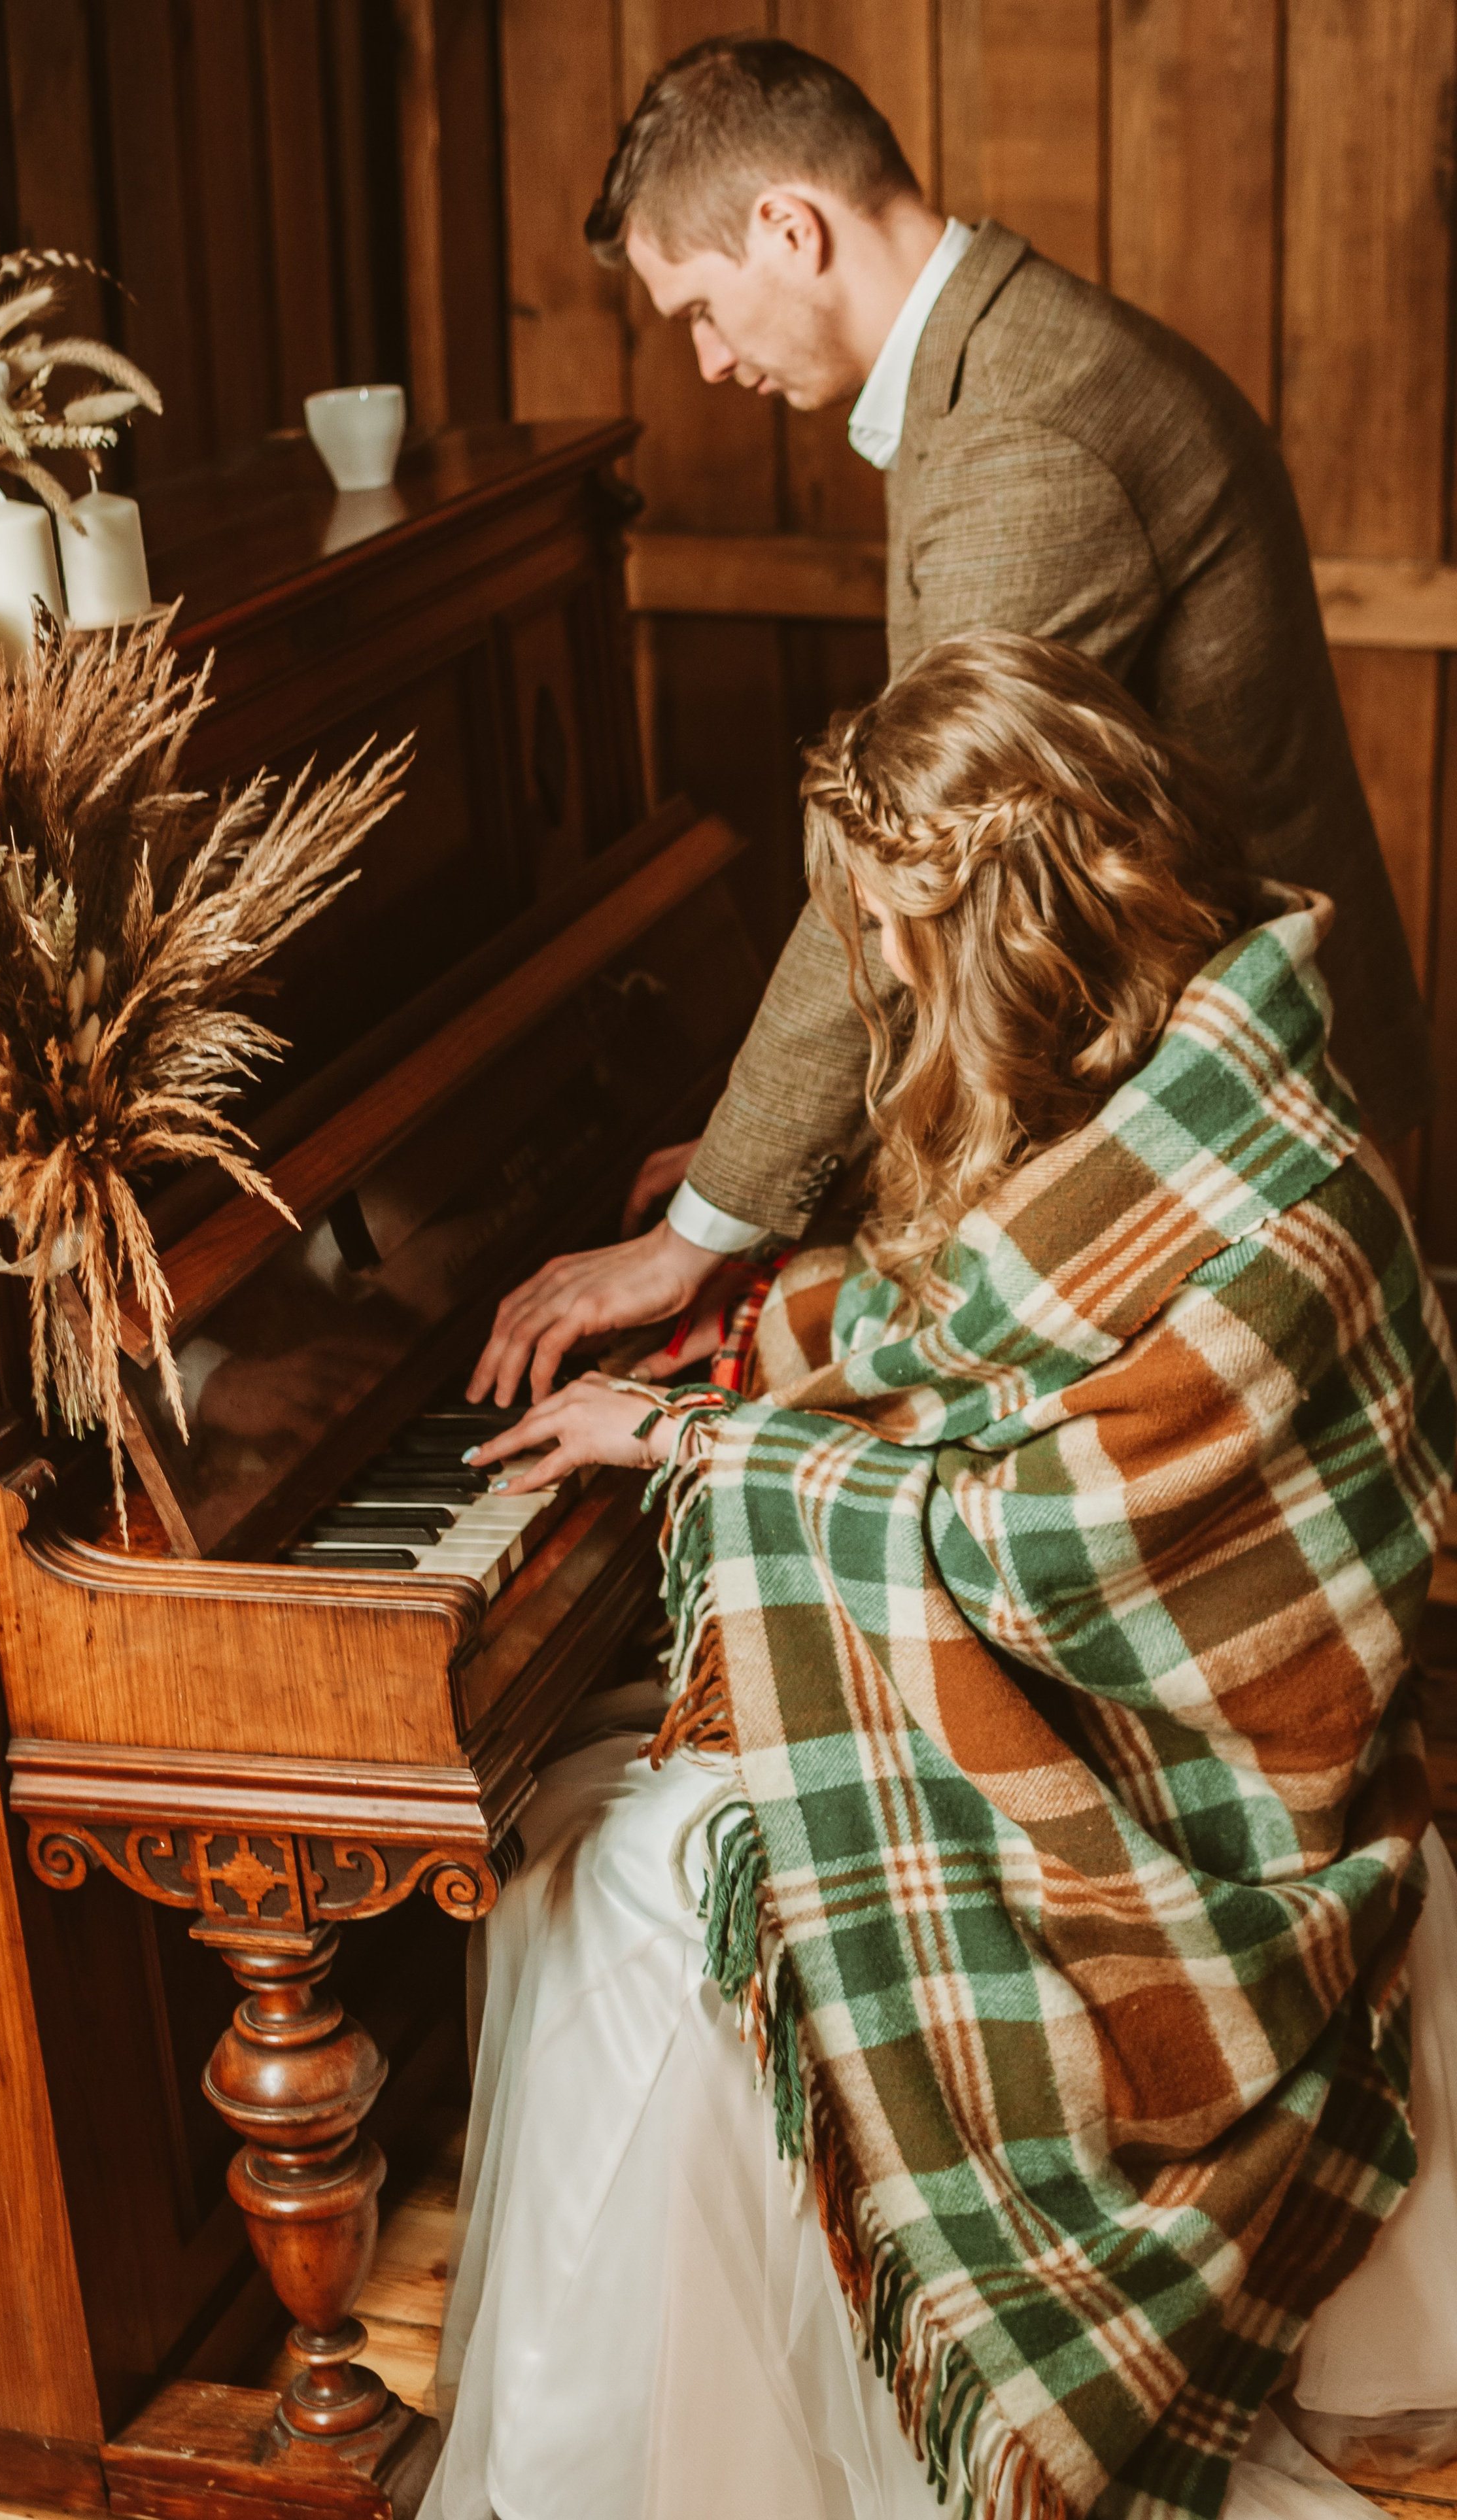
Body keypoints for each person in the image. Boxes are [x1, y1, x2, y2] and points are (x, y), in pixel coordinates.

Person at [426, 635, 1457, 2520]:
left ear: (1014, 934)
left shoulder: (1277, 1213)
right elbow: (999, 1325)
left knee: (635, 1893)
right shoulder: (1203, 1080)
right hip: (1128, 1728)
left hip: (1220, 1837)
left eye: (900, 954)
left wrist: (693, 1442)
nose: (887, 994)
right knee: (608, 1823)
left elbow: (1041, 1541)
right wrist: (764, 1311)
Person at [468, 33, 1430, 1414]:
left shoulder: (1023, 437)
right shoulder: (1002, 363)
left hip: (1255, 1128)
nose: (706, 360)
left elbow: (903, 852)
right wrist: (765, 1166)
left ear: (786, 227)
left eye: (696, 308)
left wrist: (700, 1235)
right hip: (1209, 1069)